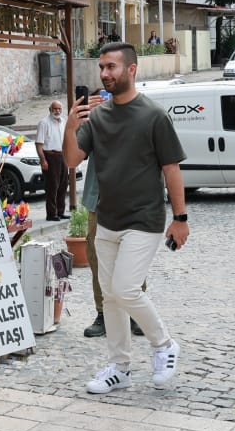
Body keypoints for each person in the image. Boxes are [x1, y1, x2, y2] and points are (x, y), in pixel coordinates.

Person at [63, 42, 186, 394]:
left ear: (132, 70)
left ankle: (163, 345)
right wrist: (70, 126)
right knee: (112, 298)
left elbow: (172, 169)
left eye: (112, 67)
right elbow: (71, 161)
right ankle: (120, 367)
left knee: (125, 289)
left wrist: (180, 218)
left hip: (144, 220)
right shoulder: (98, 117)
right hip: (107, 220)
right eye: (102, 66)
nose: (105, 73)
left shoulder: (153, 116)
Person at [80, 157, 143, 340]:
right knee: (96, 256)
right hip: (99, 198)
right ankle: (103, 314)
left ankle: (135, 311)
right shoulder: (94, 126)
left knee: (133, 255)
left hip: (133, 199)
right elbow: (77, 153)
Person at [35, 101, 68, 221]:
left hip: (62, 156)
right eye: (55, 109)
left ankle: (60, 212)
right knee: (52, 186)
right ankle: (51, 214)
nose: (57, 111)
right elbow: (39, 144)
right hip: (50, 156)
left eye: (59, 109)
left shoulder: (64, 121)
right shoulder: (44, 123)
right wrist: (43, 160)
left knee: (63, 185)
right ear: (50, 109)